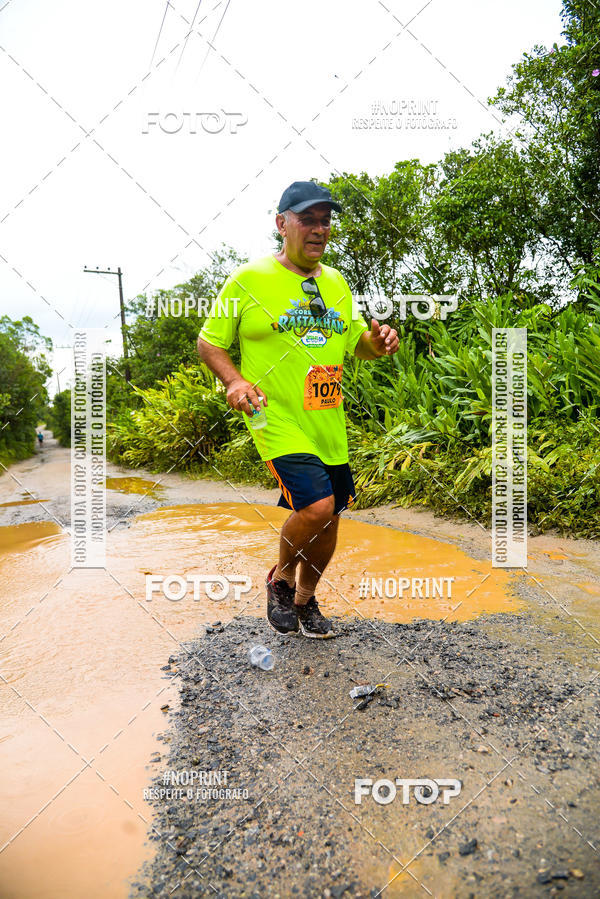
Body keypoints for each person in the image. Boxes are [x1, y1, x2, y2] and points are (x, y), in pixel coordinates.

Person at [197, 180, 399, 638]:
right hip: (274, 416)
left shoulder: (337, 283)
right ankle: (282, 579)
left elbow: (356, 344)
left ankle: (306, 601)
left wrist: (378, 342)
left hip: (327, 420)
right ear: (281, 224)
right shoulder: (249, 280)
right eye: (308, 219)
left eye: (325, 221)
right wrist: (235, 380)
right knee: (317, 506)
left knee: (331, 518)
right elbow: (209, 342)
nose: (319, 229)